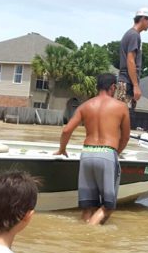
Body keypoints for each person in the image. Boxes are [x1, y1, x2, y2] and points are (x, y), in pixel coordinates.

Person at [55, 73, 131, 224]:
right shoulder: (121, 107)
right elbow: (126, 137)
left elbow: (66, 130)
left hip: (87, 153)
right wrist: (115, 153)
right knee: (108, 207)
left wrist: (62, 149)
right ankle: (89, 234)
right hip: (107, 153)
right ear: (113, 87)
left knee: (88, 207)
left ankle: (82, 237)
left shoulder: (85, 106)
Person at [116, 7, 148, 109]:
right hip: (127, 81)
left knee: (124, 116)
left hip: (126, 81)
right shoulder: (134, 35)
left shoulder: (131, 34)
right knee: (122, 116)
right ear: (143, 19)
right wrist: (135, 85)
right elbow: (130, 60)